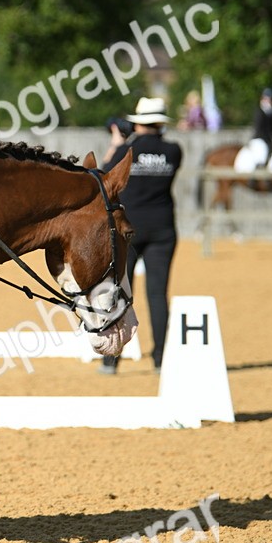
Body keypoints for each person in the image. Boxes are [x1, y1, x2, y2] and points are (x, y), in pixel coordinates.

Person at [99, 97, 182, 374]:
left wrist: (117, 142)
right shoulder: (174, 150)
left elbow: (104, 175)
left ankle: (111, 361)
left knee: (120, 293)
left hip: (128, 229)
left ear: (138, 122)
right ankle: (160, 359)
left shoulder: (125, 149)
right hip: (163, 228)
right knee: (158, 294)